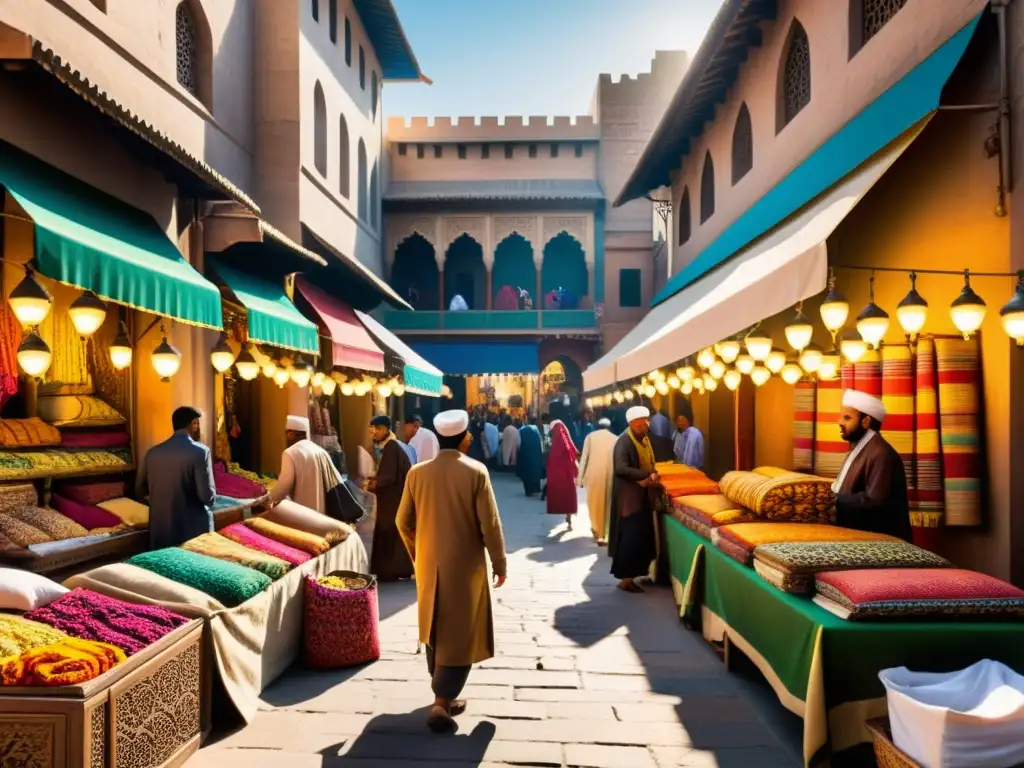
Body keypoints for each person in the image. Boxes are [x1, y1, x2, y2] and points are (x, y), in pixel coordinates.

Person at [396, 410, 507, 733]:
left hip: (429, 564)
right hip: (466, 567)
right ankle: (442, 701)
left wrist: (420, 552)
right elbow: (491, 524)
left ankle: (441, 692)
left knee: (435, 623)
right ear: (463, 438)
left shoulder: (417, 474)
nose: (471, 437)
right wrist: (499, 563)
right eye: (469, 434)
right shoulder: (476, 471)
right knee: (461, 631)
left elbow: (403, 522)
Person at [834, 389, 912, 542]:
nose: (840, 422)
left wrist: (832, 500)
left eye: (847, 418)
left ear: (866, 421)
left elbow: (874, 501)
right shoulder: (861, 449)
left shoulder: (880, 454)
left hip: (883, 542)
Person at [137, 406, 216, 550]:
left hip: (160, 532)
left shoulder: (152, 453)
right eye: (197, 423)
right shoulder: (200, 452)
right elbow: (206, 495)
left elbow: (139, 490)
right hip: (192, 531)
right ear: (194, 424)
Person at [610, 406, 661, 593]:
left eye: (646, 424)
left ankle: (634, 575)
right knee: (630, 539)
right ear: (631, 424)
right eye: (640, 425)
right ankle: (625, 579)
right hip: (629, 499)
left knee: (641, 538)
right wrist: (646, 474)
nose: (644, 427)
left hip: (641, 496)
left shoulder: (644, 440)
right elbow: (621, 468)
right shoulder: (624, 442)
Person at [267, 415, 344, 514]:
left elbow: (283, 487)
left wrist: (265, 500)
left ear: (291, 434)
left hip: (302, 514)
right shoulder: (320, 451)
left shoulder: (290, 452)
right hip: (323, 514)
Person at [368, 415, 413, 580]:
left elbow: (388, 476)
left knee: (389, 534)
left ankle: (390, 571)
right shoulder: (396, 445)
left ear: (386, 430)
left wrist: (374, 483)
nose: (374, 434)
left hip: (392, 501)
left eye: (377, 430)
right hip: (396, 499)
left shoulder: (392, 446)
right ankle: (401, 569)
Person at [578, 417, 617, 544]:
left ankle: (596, 528)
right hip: (611, 474)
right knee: (608, 503)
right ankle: (604, 533)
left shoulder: (590, 436)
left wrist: (580, 479)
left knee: (594, 502)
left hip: (593, 474)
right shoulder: (615, 438)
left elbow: (584, 458)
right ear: (609, 427)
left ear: (598, 426)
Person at [545, 420, 580, 529]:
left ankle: (568, 518)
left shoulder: (557, 442)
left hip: (559, 475)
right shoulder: (566, 439)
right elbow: (573, 455)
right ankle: (569, 518)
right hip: (567, 475)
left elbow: (552, 458)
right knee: (568, 497)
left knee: (561, 496)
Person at [672, 400, 705, 470]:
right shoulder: (677, 434)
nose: (679, 423)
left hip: (694, 470)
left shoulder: (695, 434)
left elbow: (692, 459)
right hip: (681, 469)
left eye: (682, 420)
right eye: (678, 420)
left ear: (688, 421)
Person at [518, 418, 544, 496]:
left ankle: (528, 490)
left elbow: (518, 443)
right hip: (536, 453)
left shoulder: (522, 430)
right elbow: (541, 443)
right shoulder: (537, 430)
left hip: (525, 452)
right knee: (535, 470)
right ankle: (536, 488)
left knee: (526, 471)